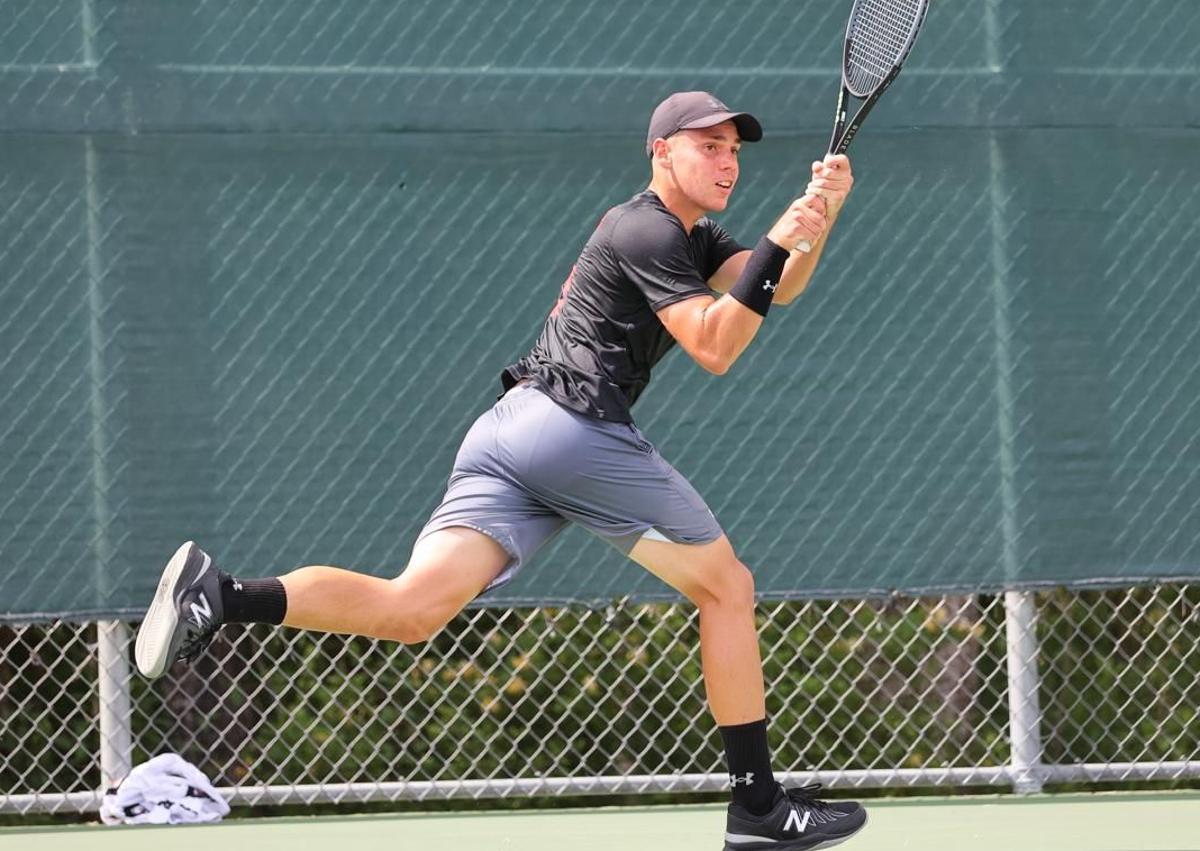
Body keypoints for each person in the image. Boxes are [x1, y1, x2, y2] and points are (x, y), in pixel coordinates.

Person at [136, 91, 861, 850]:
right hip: (573, 429)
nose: (726, 162)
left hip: (508, 434)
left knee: (411, 608)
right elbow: (718, 345)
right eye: (707, 146)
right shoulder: (646, 226)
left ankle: (219, 595)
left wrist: (819, 217)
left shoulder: (693, 235)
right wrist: (782, 238)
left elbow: (776, 283)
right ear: (661, 153)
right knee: (728, 586)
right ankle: (758, 806)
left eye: (734, 151)